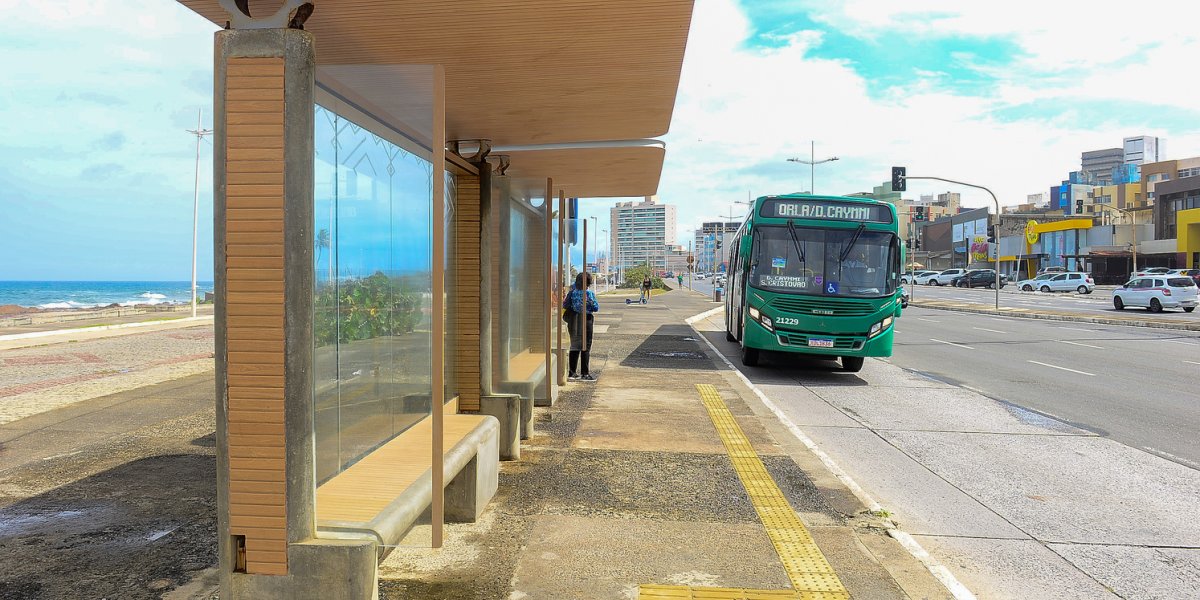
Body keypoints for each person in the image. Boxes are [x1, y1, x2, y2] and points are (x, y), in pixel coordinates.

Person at [563, 272, 600, 381]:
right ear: (589, 282)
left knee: (574, 345)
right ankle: (585, 373)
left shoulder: (572, 293)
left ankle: (572, 372)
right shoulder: (589, 294)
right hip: (586, 319)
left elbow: (565, 305)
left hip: (574, 319)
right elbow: (595, 308)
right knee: (586, 346)